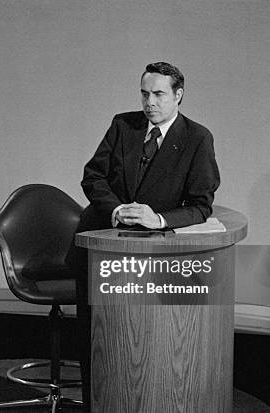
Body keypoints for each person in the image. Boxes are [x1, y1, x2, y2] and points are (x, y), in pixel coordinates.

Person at [67, 62, 220, 411]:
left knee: (143, 345)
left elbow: (201, 205)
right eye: (144, 93)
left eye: (158, 94)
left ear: (178, 95)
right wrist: (117, 210)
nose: (149, 102)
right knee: (96, 336)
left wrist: (159, 219)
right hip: (100, 244)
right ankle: (96, 402)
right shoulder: (123, 125)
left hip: (150, 257)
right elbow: (93, 177)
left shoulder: (197, 138)